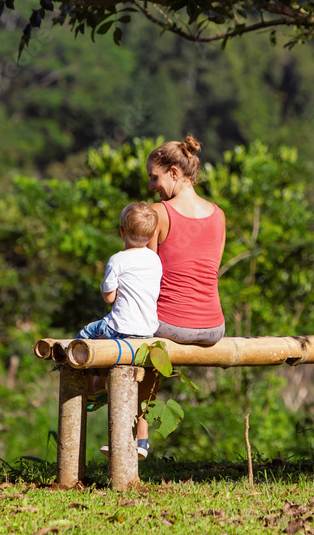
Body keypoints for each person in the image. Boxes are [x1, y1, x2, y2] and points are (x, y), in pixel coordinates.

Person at [75, 201, 161, 460]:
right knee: (142, 393)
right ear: (151, 234)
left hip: (119, 328)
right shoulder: (155, 260)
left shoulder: (118, 259)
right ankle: (141, 443)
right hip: (148, 332)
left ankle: (92, 390)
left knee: (83, 338)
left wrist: (108, 284)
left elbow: (109, 297)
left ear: (121, 232)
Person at [146, 135, 226, 345]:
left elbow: (144, 276)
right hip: (215, 328)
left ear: (173, 172)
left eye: (154, 177)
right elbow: (211, 272)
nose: (151, 186)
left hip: (170, 324)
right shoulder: (219, 214)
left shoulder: (157, 213)